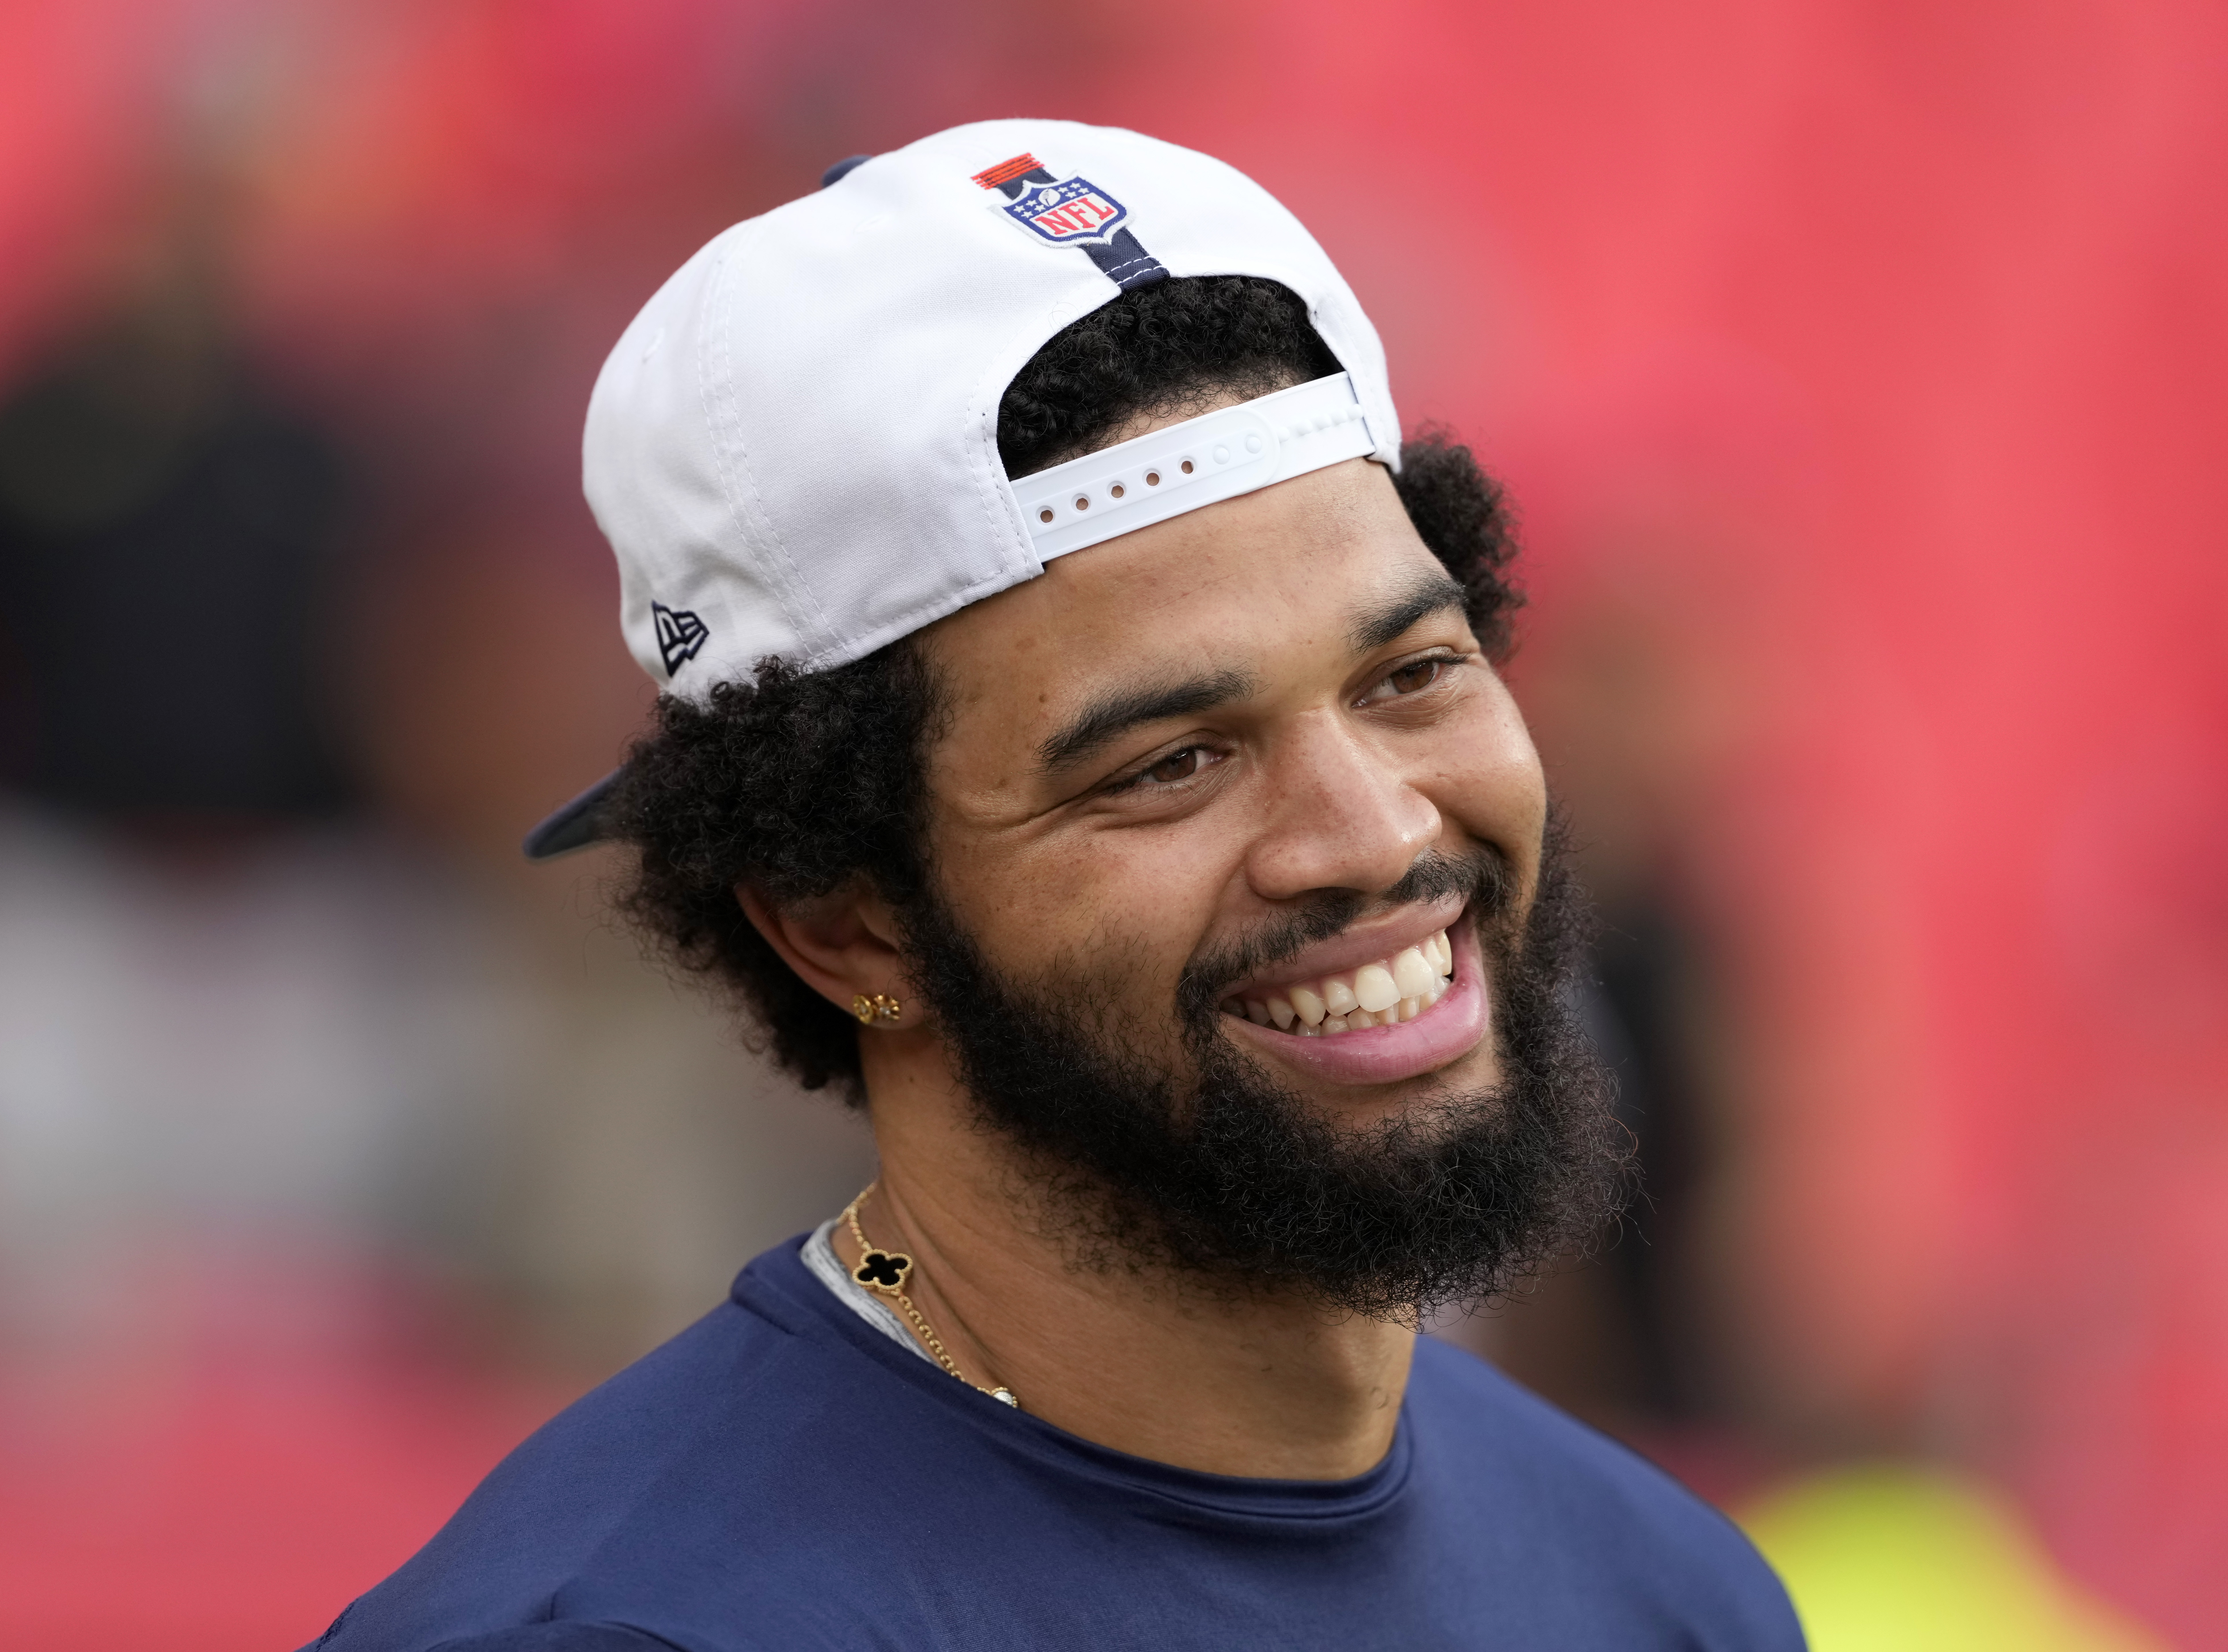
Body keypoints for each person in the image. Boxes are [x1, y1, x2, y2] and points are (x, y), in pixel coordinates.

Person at [313, 119, 1803, 1651]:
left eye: (1416, 672)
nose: (1371, 834)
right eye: (1170, 763)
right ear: (843, 920)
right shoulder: (641, 1628)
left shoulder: (1664, 1592)